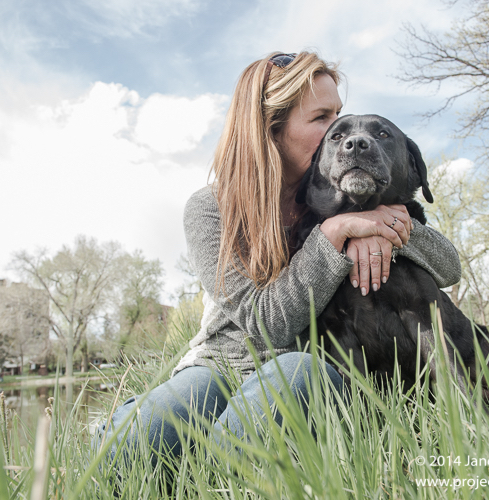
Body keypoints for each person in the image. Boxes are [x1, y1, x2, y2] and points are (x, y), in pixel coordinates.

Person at [93, 51, 461, 465]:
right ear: (272, 127)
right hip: (221, 364)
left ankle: (208, 474)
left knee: (295, 378)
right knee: (134, 446)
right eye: (322, 118)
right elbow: (265, 323)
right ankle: (128, 425)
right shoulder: (212, 209)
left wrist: (384, 227)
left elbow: (448, 268)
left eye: (338, 113)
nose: (339, 131)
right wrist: (335, 234)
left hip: (305, 368)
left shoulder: (343, 195)